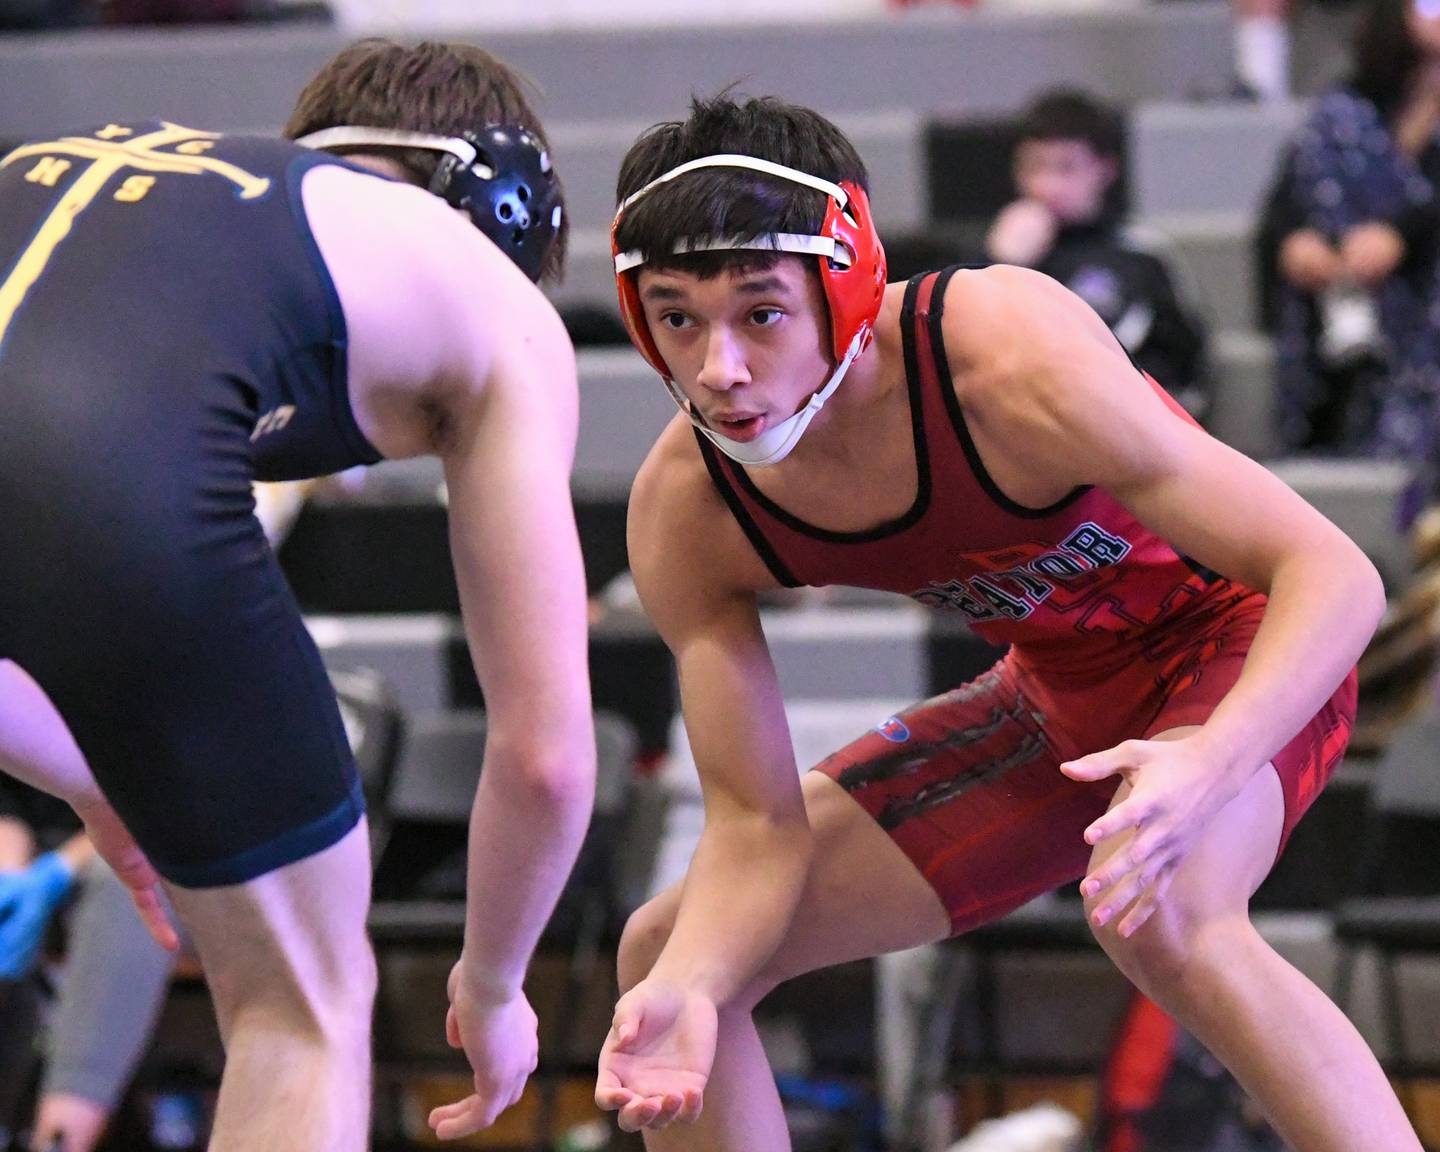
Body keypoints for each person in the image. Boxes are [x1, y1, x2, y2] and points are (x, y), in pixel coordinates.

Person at [593, 93, 1420, 1151]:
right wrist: (700, 990)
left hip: (1239, 645)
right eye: (677, 318)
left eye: (760, 313)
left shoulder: (1002, 356)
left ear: (844, 287)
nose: (720, 371)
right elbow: (756, 828)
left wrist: (1209, 763)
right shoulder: (691, 509)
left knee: (1161, 910)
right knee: (667, 958)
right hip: (1057, 700)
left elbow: (1334, 574)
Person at [0, 36, 595, 1151]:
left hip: (78, 519)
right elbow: (546, 755)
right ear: (506, 206)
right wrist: (498, 979)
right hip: (119, 508)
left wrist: (105, 781)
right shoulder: (474, 282)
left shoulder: (131, 183)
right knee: (302, 1012)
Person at [1258, 0, 1440, 502]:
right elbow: (1287, 197)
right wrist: (1296, 237)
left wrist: (1403, 235)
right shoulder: (1347, 110)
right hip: (1340, 292)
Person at [985, 89, 1208, 423]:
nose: (1047, 186)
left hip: (1126, 434)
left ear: (1105, 170)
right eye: (1034, 167)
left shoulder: (1142, 257)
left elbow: (1187, 372)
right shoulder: (991, 261)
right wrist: (999, 263)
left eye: (1066, 168)